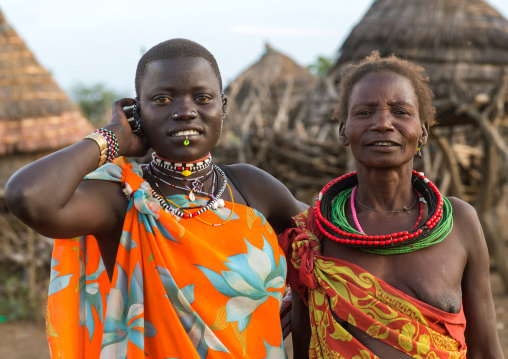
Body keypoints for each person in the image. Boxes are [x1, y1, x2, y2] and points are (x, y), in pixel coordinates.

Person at [5, 38, 306, 358]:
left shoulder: (251, 187)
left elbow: (320, 247)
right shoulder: (120, 198)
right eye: (162, 100)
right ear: (137, 112)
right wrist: (113, 138)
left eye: (202, 98)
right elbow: (29, 197)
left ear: (223, 107)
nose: (185, 112)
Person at [280, 51, 504, 358]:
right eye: (364, 113)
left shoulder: (460, 223)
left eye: (400, 112)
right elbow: (307, 350)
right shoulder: (314, 234)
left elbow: (486, 351)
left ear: (423, 130)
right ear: (343, 130)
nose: (383, 123)